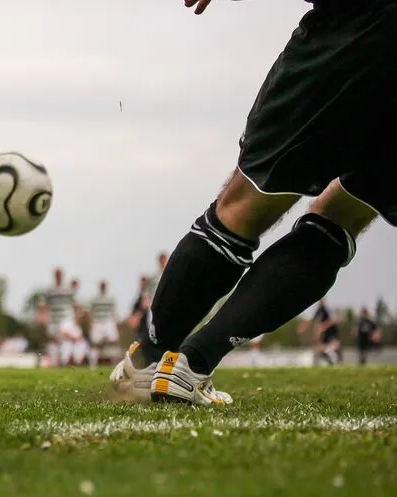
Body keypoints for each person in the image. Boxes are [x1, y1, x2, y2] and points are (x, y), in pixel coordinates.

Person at [112, 0, 397, 405]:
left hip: (356, 25)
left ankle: (147, 362)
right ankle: (191, 365)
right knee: (342, 217)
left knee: (242, 208)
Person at [36, 268, 77, 366]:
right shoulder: (50, 290)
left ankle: (64, 360)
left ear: (62, 276)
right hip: (53, 319)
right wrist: (42, 315)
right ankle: (55, 362)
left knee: (65, 336)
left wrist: (75, 317)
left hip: (65, 318)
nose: (58, 276)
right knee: (54, 340)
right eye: (56, 274)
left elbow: (73, 304)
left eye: (59, 274)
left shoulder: (68, 289)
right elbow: (45, 304)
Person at [88, 280, 120, 368]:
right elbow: (91, 312)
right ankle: (92, 366)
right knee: (95, 344)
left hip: (109, 322)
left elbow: (114, 313)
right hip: (97, 322)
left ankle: (115, 365)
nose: (103, 287)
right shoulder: (94, 299)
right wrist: (91, 323)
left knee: (113, 343)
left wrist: (115, 324)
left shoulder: (111, 299)